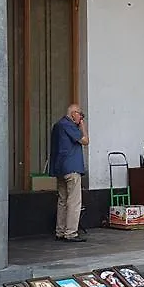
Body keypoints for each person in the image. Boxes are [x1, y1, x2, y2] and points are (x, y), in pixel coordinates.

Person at [49, 103, 89, 242]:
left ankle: (60, 231)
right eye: (80, 114)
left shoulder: (57, 125)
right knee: (74, 201)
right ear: (73, 114)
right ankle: (71, 232)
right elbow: (85, 140)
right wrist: (82, 126)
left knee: (62, 201)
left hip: (60, 169)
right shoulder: (69, 125)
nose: (81, 117)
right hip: (72, 168)